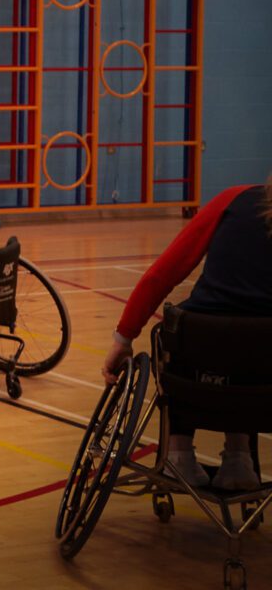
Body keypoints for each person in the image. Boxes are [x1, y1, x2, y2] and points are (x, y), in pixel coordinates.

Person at [101, 178, 272, 492]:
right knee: (254, 348)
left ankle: (178, 453)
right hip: (264, 383)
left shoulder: (234, 199)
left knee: (179, 337)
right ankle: (239, 458)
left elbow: (161, 275)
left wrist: (122, 340)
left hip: (195, 360)